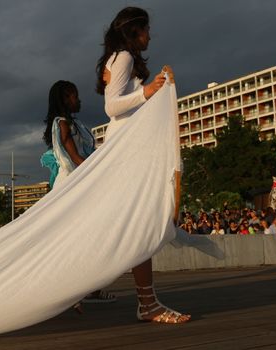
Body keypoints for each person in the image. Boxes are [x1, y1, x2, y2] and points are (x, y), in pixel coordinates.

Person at [96, 6, 190, 323]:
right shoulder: (122, 57)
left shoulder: (120, 58)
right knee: (141, 222)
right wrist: (148, 91)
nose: (150, 36)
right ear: (134, 31)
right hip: (125, 153)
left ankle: (145, 302)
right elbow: (112, 107)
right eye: (147, 29)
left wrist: (153, 91)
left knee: (135, 224)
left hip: (129, 149)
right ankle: (146, 304)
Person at [42, 80, 116, 305]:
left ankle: (87, 290)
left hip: (77, 181)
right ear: (65, 99)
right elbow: (75, 158)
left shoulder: (70, 123)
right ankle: (71, 291)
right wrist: (101, 175)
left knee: (88, 237)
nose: (79, 99)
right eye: (74, 96)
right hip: (73, 183)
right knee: (79, 238)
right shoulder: (63, 123)